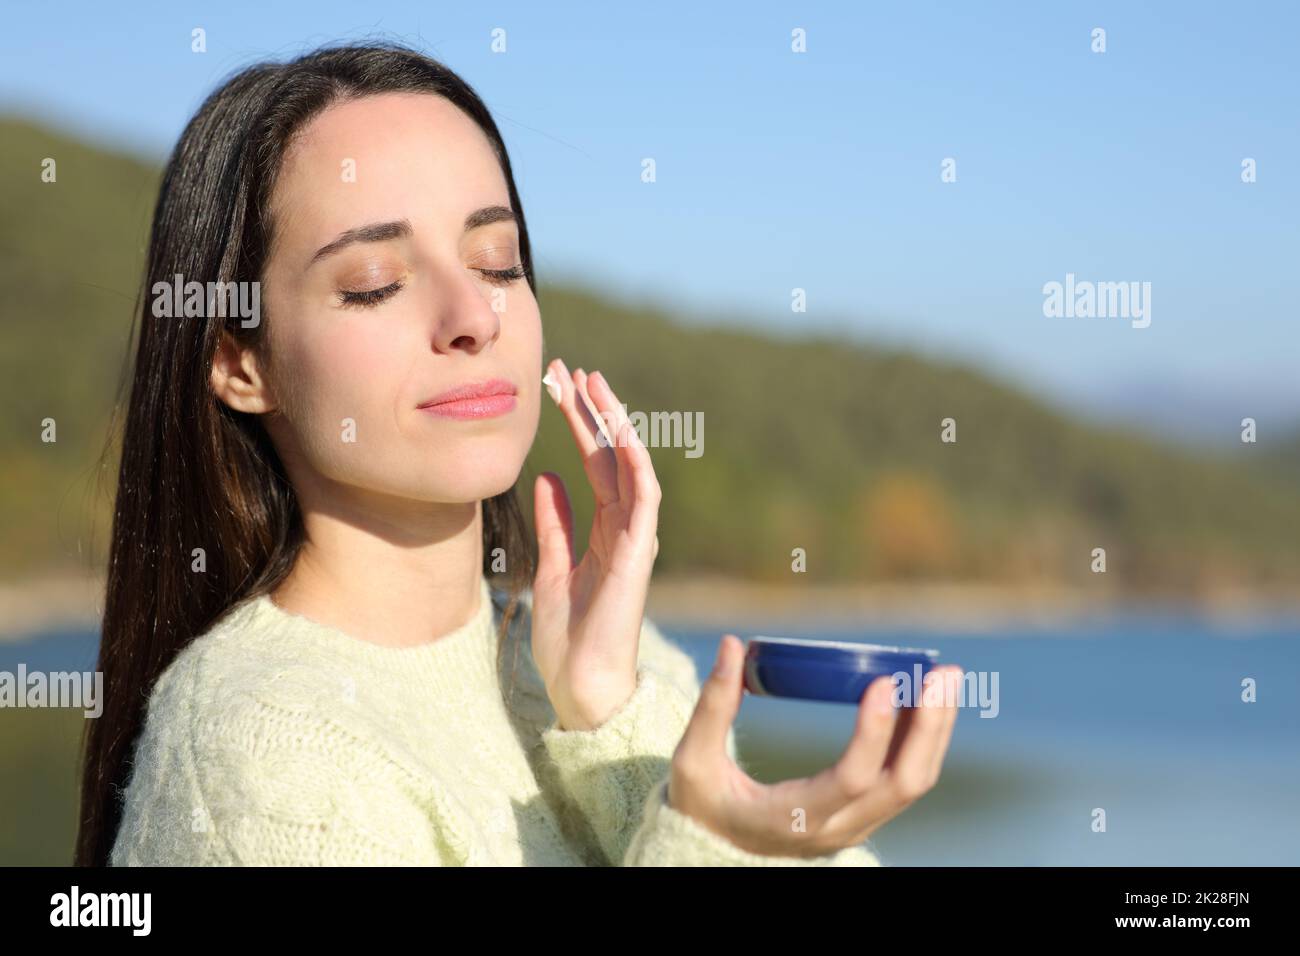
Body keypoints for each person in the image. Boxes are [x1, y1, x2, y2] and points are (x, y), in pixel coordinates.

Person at [76, 42, 962, 867]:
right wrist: (706, 838)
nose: (474, 317)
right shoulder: (260, 754)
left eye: (497, 262)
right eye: (374, 282)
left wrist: (612, 713)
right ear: (240, 363)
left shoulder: (628, 663)